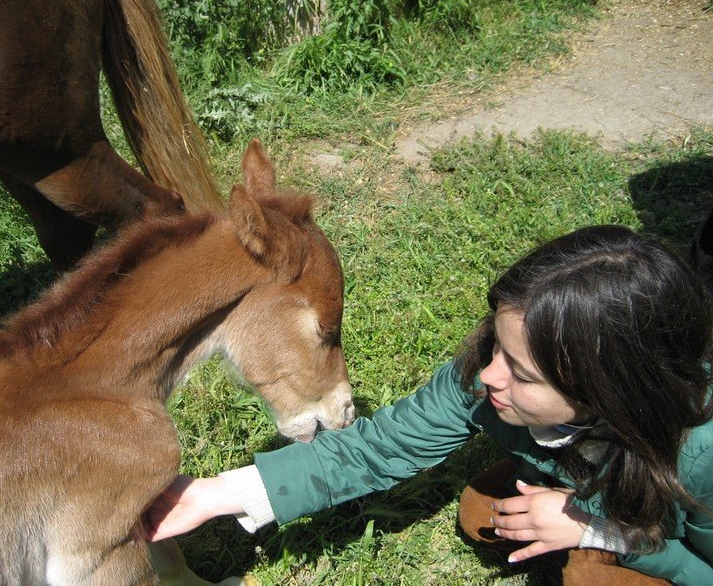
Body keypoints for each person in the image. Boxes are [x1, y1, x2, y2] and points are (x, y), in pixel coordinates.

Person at [143, 225, 713, 585]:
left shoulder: (701, 458)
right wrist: (221, 494)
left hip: (667, 537)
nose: (488, 375)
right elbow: (379, 446)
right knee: (479, 513)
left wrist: (595, 533)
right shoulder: (486, 373)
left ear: (611, 393)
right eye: (496, 344)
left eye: (522, 374)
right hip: (591, 476)